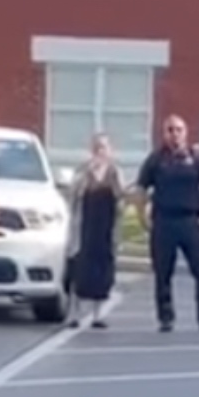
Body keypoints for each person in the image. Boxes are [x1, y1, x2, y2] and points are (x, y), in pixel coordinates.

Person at [133, 116, 199, 334]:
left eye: (179, 129)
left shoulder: (197, 156)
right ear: (164, 133)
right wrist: (141, 215)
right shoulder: (155, 159)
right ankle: (166, 317)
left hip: (190, 221)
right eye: (170, 130)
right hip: (164, 222)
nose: (175, 134)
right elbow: (141, 187)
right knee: (163, 274)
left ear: (186, 132)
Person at [65, 133, 123, 329]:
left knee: (102, 272)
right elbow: (73, 195)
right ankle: (75, 314)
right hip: (84, 227)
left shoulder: (114, 172)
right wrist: (88, 173)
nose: (100, 151)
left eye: (104, 147)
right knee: (79, 270)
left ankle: (98, 315)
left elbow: (120, 198)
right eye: (97, 147)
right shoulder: (83, 170)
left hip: (105, 228)